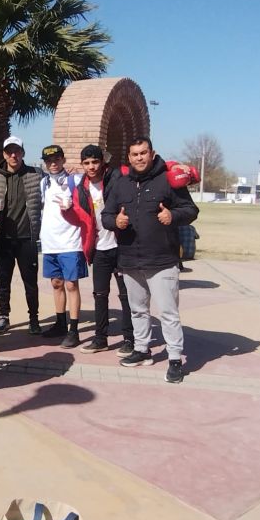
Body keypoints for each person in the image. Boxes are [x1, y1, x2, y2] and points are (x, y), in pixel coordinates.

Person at [102, 137, 199, 384]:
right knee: (138, 310)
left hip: (162, 260)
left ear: (152, 153)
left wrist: (172, 215)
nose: (139, 158)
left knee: (168, 313)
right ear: (129, 157)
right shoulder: (121, 183)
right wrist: (116, 222)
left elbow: (191, 210)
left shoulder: (167, 179)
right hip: (130, 259)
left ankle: (175, 359)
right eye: (134, 154)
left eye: (143, 153)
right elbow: (106, 215)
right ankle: (142, 349)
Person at [67, 144, 135, 355]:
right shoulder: (81, 188)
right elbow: (79, 220)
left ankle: (130, 339)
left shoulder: (118, 177)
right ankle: (100, 338)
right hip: (100, 248)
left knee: (126, 295)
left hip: (122, 245)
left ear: (102, 161)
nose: (91, 166)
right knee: (100, 294)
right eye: (86, 163)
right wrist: (65, 211)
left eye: (95, 162)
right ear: (82, 165)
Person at [0, 136, 44, 335]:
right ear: (4, 154)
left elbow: (53, 188)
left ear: (23, 153)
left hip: (27, 237)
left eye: (17, 151)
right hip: (3, 238)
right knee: (3, 280)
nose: (13, 155)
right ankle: (4, 316)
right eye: (9, 151)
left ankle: (33, 319)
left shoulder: (36, 174)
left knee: (30, 282)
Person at [36, 144, 86, 348]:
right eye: (48, 161)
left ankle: (74, 330)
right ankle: (60, 323)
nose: (53, 163)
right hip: (49, 243)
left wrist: (72, 205)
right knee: (56, 283)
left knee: (71, 284)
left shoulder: (76, 180)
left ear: (63, 160)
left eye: (56, 159)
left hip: (71, 242)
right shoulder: (43, 183)